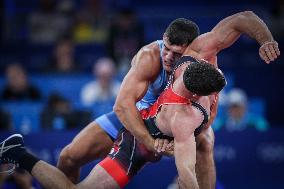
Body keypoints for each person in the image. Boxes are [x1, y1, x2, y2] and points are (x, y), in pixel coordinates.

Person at [56, 10, 280, 189]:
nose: (169, 57)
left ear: (191, 48)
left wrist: (266, 40)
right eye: (168, 49)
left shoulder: (201, 50)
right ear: (164, 38)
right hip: (141, 117)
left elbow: (243, 18)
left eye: (177, 53)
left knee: (205, 142)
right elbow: (123, 106)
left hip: (181, 119)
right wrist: (150, 141)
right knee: (68, 157)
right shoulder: (150, 56)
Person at [0, 60, 226, 189]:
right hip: (135, 145)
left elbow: (239, 21)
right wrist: (166, 147)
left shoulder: (187, 67)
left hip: (153, 128)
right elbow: (185, 170)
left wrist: (264, 40)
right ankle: (18, 154)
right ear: (196, 94)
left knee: (204, 142)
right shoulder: (185, 118)